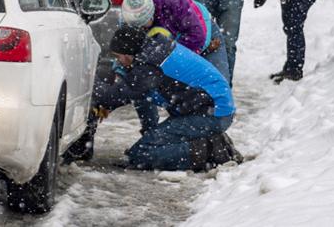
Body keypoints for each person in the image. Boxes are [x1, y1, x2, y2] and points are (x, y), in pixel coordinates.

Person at [65, 0, 228, 162]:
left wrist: (168, 62)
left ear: (152, 14)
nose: (142, 28)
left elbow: (196, 39)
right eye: (138, 27)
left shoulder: (173, 4)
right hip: (166, 64)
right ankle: (157, 136)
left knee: (142, 151)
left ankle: (208, 148)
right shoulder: (131, 24)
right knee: (149, 88)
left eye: (145, 24)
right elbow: (129, 76)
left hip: (204, 37)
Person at [89, 26, 239, 171]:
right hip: (209, 109)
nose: (119, 61)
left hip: (213, 113)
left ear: (128, 53)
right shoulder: (154, 51)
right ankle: (206, 143)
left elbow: (118, 94)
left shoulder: (150, 65)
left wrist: (89, 83)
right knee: (144, 149)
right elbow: (132, 93)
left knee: (141, 154)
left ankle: (209, 150)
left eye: (118, 56)